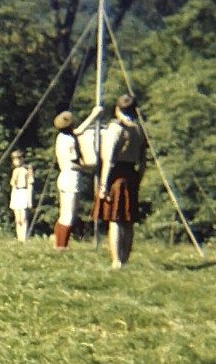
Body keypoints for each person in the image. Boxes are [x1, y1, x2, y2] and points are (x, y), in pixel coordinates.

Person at [94, 93, 148, 269]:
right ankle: (125, 259)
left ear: (118, 109)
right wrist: (138, 179)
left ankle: (117, 260)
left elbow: (109, 159)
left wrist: (103, 185)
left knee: (116, 219)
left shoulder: (116, 128)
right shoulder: (139, 128)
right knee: (128, 220)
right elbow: (143, 160)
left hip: (116, 175)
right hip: (132, 174)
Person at [53, 104, 102, 248]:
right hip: (71, 177)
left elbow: (80, 130)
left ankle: (58, 244)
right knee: (69, 216)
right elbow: (73, 163)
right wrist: (89, 167)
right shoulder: (69, 141)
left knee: (64, 214)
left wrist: (94, 115)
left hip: (64, 177)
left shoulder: (62, 137)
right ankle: (61, 246)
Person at [8, 149, 34, 242]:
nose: (16, 161)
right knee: (17, 218)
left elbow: (30, 184)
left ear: (22, 159)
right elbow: (12, 184)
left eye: (18, 159)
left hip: (24, 191)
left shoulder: (27, 169)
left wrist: (29, 199)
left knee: (23, 217)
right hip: (16, 192)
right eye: (14, 159)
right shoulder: (15, 170)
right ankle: (19, 237)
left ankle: (24, 237)